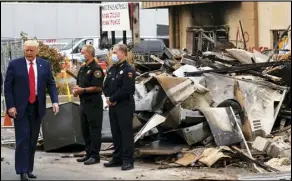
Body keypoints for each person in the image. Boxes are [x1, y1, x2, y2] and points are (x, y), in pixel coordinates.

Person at [4, 40, 59, 181]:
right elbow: (8, 87)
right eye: (27, 50)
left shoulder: (44, 65)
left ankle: (28, 169)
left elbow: (51, 84)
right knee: (23, 139)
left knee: (32, 140)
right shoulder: (14, 65)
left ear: (37, 51)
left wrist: (55, 101)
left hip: (37, 107)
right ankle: (21, 171)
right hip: (20, 109)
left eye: (31, 50)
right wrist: (10, 106)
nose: (29, 53)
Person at [103, 44, 136, 171]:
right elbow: (106, 85)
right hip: (113, 106)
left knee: (126, 134)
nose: (113, 55)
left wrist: (113, 99)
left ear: (122, 53)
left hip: (124, 106)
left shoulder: (128, 70)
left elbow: (127, 89)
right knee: (115, 133)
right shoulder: (112, 69)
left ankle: (128, 160)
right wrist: (108, 98)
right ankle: (117, 158)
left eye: (115, 52)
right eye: (113, 52)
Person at [73, 44, 105, 165]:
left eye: (83, 53)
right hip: (83, 103)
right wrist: (76, 90)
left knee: (94, 130)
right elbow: (78, 83)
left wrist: (83, 90)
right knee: (85, 129)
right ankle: (88, 153)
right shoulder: (83, 68)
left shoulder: (96, 69)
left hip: (93, 103)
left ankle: (95, 155)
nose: (81, 55)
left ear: (90, 53)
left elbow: (98, 87)